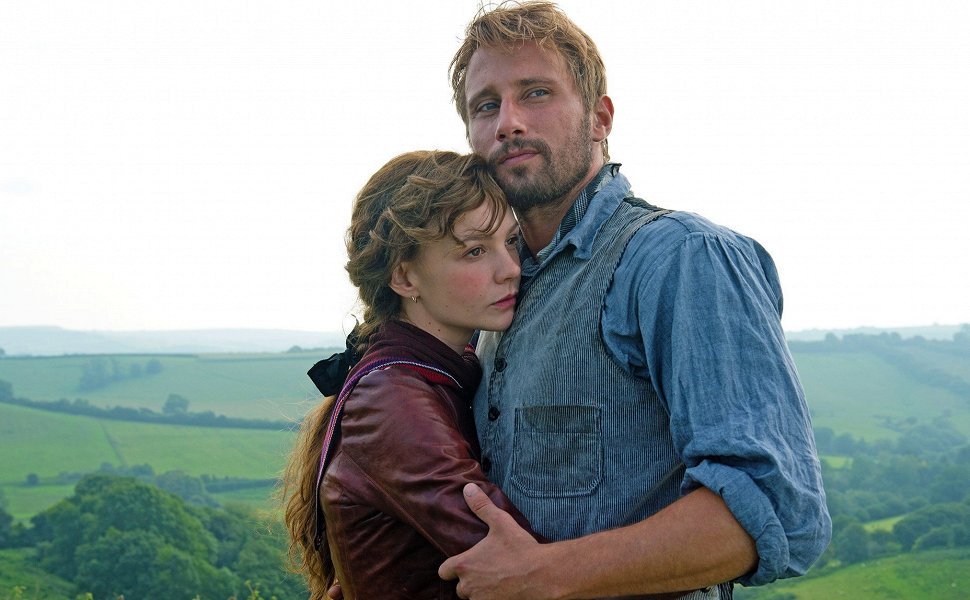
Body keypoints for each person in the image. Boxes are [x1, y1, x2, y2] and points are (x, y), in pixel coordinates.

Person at [434, 2, 832, 599]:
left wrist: (544, 575)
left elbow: (773, 510)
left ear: (599, 118)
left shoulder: (682, 257)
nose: (508, 123)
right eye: (485, 106)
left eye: (536, 93)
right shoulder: (498, 292)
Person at [281, 150, 541, 599]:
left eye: (511, 241)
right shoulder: (393, 399)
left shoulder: (433, 371)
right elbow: (523, 567)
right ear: (404, 278)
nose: (511, 269)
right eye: (475, 251)